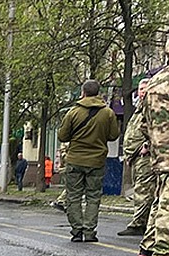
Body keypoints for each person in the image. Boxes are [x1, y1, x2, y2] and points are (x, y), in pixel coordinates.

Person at [57, 79, 120, 242]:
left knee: (74, 196)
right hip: (97, 161)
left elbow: (62, 136)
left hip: (75, 160)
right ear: (98, 93)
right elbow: (114, 135)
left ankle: (76, 231)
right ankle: (90, 232)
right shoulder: (108, 113)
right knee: (93, 197)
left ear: (83, 93)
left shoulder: (73, 112)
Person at [137, 53, 169, 256]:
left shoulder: (154, 82)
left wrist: (153, 141)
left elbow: (142, 123)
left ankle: (147, 247)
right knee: (166, 203)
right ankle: (162, 249)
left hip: (159, 153)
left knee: (159, 200)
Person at [120, 78, 154, 237]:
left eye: (145, 89)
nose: (142, 92)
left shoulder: (154, 105)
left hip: (146, 157)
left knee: (143, 190)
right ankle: (142, 221)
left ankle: (139, 224)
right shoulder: (139, 108)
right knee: (138, 189)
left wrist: (147, 145)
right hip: (134, 156)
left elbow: (157, 127)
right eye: (140, 89)